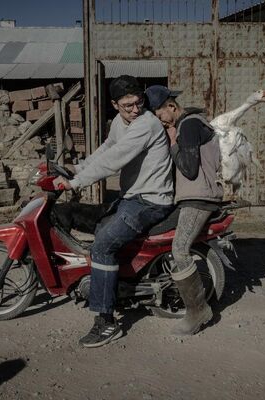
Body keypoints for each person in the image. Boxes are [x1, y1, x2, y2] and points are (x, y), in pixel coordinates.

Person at [54, 75, 174, 348]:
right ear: (114, 104)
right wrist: (78, 169)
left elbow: (115, 160)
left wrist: (75, 182)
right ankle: (113, 284)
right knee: (96, 226)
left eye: (138, 102)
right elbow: (108, 148)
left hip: (151, 201)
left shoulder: (146, 124)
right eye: (128, 105)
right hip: (133, 197)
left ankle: (106, 323)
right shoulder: (122, 122)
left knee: (103, 245)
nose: (135, 109)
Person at [145, 85, 224, 335]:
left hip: (199, 198)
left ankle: (198, 310)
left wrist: (172, 144)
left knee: (179, 249)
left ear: (171, 106)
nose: (160, 120)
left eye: (160, 115)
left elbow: (189, 169)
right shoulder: (187, 124)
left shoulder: (188, 125)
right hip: (192, 196)